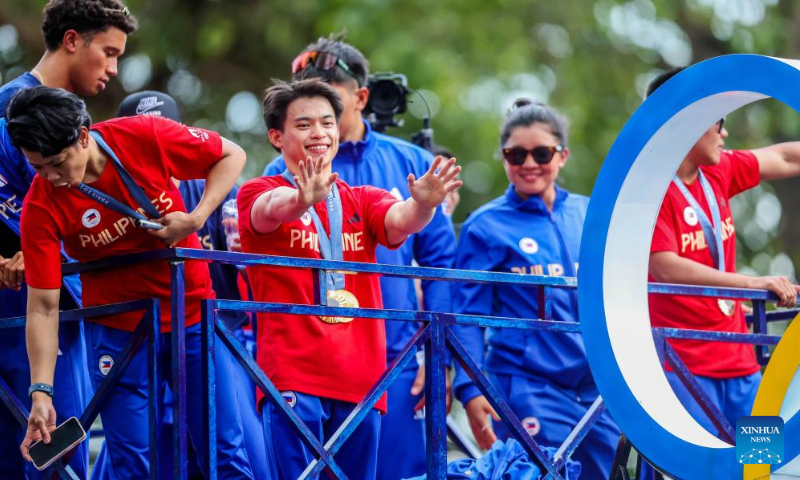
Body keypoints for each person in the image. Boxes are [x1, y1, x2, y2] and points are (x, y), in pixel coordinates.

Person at [9, 86, 253, 479]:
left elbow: (231, 154)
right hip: (118, 333)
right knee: (131, 463)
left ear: (84, 136)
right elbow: (42, 305)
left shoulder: (143, 135)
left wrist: (196, 217)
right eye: (38, 168)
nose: (51, 177)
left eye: (57, 163)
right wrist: (41, 391)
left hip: (190, 316)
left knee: (223, 451)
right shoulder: (40, 205)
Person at [239, 78, 461, 479]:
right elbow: (268, 211)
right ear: (277, 136)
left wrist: (424, 206)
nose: (319, 133)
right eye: (304, 125)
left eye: (327, 122)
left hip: (363, 382)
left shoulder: (363, 197)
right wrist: (300, 200)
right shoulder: (258, 190)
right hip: (291, 378)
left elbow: (400, 219)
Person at [0, 1, 136, 477]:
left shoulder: (79, 128)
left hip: (68, 310)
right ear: (73, 40)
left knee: (68, 449)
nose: (113, 68)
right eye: (109, 52)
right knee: (43, 455)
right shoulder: (11, 108)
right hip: (24, 317)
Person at [452, 99, 620, 479]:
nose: (529, 164)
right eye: (516, 154)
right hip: (528, 385)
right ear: (503, 158)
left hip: (598, 389)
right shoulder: (485, 225)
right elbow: (464, 317)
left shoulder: (591, 214)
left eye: (541, 152)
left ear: (562, 155)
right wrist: (470, 389)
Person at [108, 90, 269, 479]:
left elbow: (247, 273)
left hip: (213, 334)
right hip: (139, 336)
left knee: (237, 448)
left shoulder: (216, 188)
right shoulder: (115, 194)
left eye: (170, 128)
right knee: (132, 458)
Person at [646, 68, 800, 435]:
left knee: (760, 463)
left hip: (740, 360)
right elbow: (665, 267)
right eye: (719, 122)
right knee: (702, 471)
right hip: (682, 367)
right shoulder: (646, 189)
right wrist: (750, 283)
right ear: (688, 121)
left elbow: (786, 159)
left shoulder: (718, 170)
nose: (725, 133)